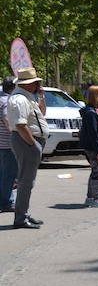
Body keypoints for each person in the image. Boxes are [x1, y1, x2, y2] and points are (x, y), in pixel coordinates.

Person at [7, 67, 50, 228]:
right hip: (26, 141)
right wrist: (33, 145)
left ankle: (23, 214)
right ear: (27, 84)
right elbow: (20, 125)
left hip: (28, 141)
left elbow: (42, 113)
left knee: (27, 181)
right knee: (26, 182)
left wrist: (41, 96)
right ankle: (20, 218)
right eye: (35, 82)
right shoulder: (20, 99)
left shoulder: (27, 97)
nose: (37, 84)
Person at [0, 77, 16, 213]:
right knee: (8, 174)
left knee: (2, 174)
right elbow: (6, 119)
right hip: (7, 144)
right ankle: (6, 202)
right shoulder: (7, 101)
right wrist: (15, 131)